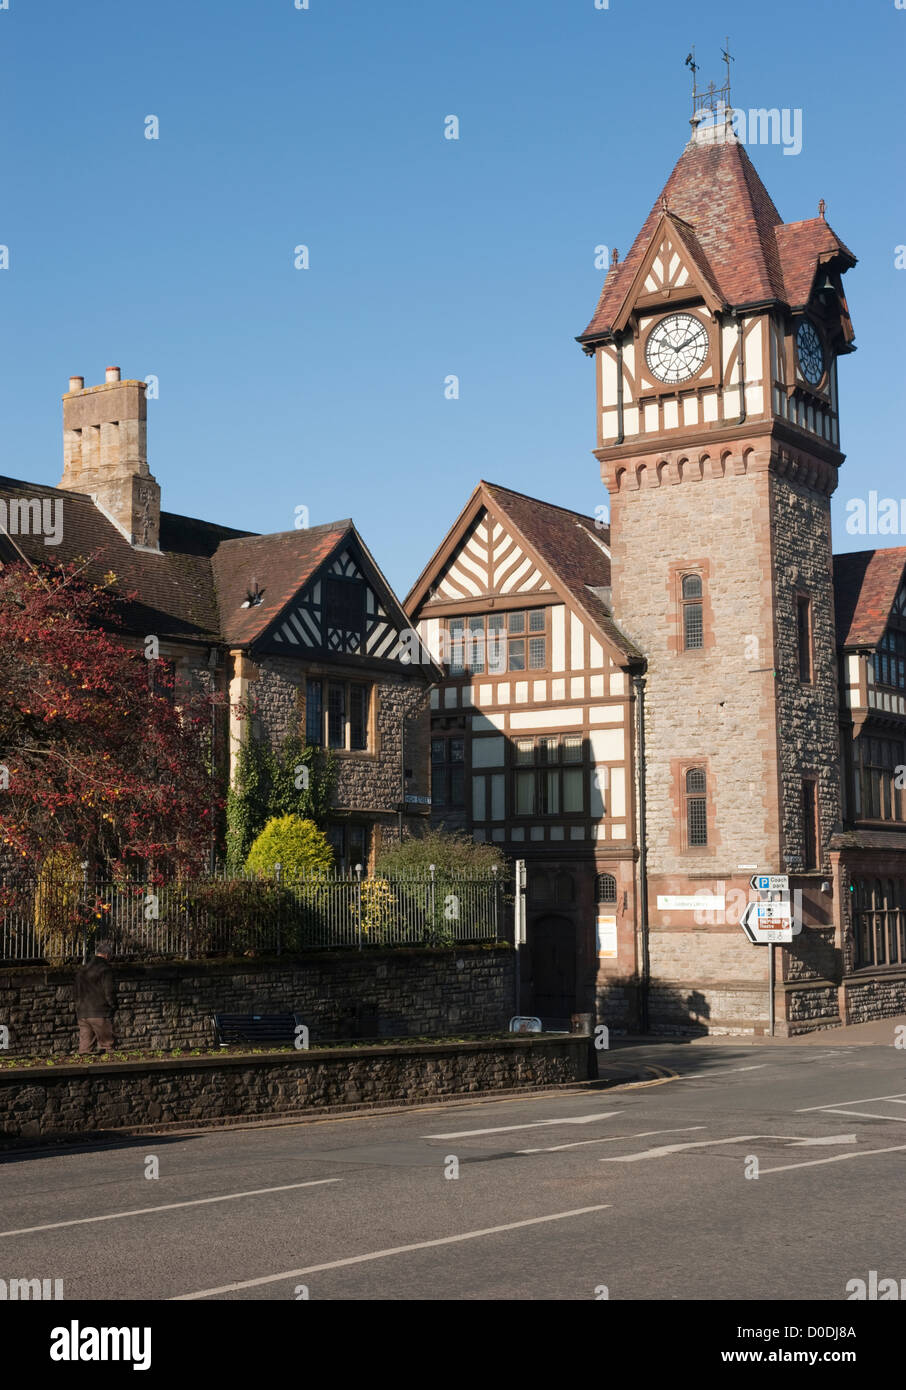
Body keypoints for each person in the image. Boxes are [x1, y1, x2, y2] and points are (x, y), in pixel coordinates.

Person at [74, 941, 117, 1055]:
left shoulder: (83, 969)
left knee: (84, 1049)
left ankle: (83, 1068)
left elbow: (76, 992)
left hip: (83, 1013)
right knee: (107, 1046)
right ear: (107, 955)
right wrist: (113, 1006)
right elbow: (109, 991)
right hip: (100, 1012)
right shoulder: (105, 969)